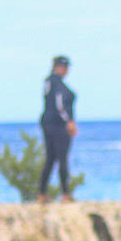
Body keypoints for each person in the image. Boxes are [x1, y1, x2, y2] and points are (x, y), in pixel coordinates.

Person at [39, 56, 78, 200]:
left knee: (50, 158)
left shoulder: (49, 82)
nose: (67, 70)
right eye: (65, 67)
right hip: (58, 125)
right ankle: (65, 193)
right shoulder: (56, 83)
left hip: (47, 122)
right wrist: (69, 121)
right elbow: (59, 104)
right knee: (61, 158)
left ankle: (42, 192)